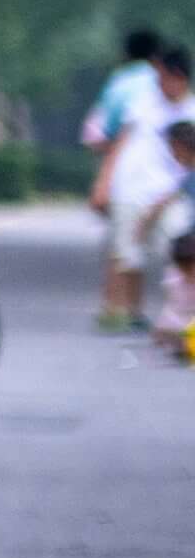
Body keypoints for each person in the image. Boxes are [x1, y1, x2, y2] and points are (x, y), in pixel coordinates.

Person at [94, 35, 194, 338]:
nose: (158, 83)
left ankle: (180, 312)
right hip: (131, 186)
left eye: (162, 77)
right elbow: (120, 143)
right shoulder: (144, 104)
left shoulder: (191, 112)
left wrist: (158, 206)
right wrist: (103, 184)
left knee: (179, 246)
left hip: (170, 194)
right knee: (128, 253)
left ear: (178, 77)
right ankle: (132, 312)